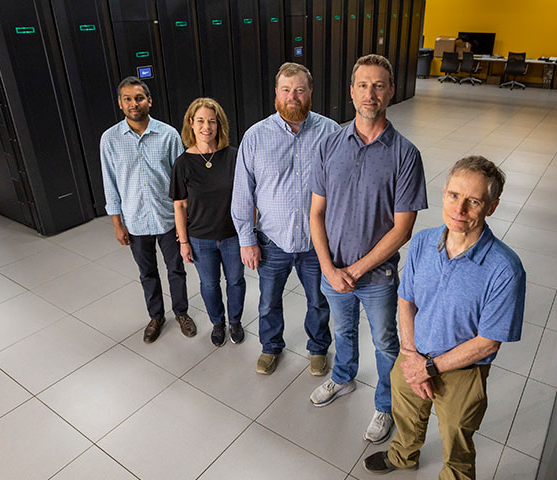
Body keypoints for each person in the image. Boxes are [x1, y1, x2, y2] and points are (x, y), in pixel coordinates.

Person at [363, 156, 526, 479]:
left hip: (463, 373)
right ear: (443, 193)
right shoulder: (423, 242)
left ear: (491, 207)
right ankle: (403, 455)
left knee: (457, 439)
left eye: (473, 201)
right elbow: (406, 300)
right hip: (413, 354)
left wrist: (429, 368)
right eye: (454, 195)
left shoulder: (505, 269)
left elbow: (486, 342)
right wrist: (410, 356)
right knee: (406, 415)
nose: (459, 209)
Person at [309, 54, 427, 444]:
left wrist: (354, 271)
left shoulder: (405, 154)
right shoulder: (329, 145)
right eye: (362, 85)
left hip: (376, 277)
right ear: (351, 91)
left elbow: (403, 227)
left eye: (378, 85)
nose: (370, 93)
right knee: (342, 330)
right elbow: (316, 213)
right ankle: (342, 378)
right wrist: (328, 267)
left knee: (385, 341)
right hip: (333, 271)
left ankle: (386, 404)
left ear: (391, 91)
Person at [232, 62, 340, 375]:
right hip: (272, 241)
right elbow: (243, 193)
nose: (293, 96)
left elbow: (344, 187)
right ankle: (270, 346)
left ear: (310, 93)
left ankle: (318, 348)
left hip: (316, 243)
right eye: (286, 90)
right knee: (268, 303)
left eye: (299, 90)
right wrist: (246, 240)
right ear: (276, 94)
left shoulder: (330, 132)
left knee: (318, 302)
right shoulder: (255, 136)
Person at [100, 76, 196, 343]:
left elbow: (181, 181)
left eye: (139, 98)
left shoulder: (168, 135)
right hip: (135, 220)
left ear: (149, 101)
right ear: (120, 104)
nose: (134, 104)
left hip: (168, 218)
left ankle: (181, 313)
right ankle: (156, 316)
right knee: (147, 273)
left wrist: (185, 219)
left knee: (176, 269)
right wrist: (117, 223)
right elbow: (110, 183)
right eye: (128, 99)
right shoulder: (110, 139)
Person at [170, 98, 245, 347]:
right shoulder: (182, 164)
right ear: (191, 123)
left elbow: (247, 195)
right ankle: (218, 323)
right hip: (200, 238)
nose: (206, 126)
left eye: (212, 121)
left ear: (219, 124)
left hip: (233, 235)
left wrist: (250, 233)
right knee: (210, 284)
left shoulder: (233, 156)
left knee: (235, 281)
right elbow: (179, 205)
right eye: (200, 120)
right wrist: (183, 242)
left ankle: (235, 321)